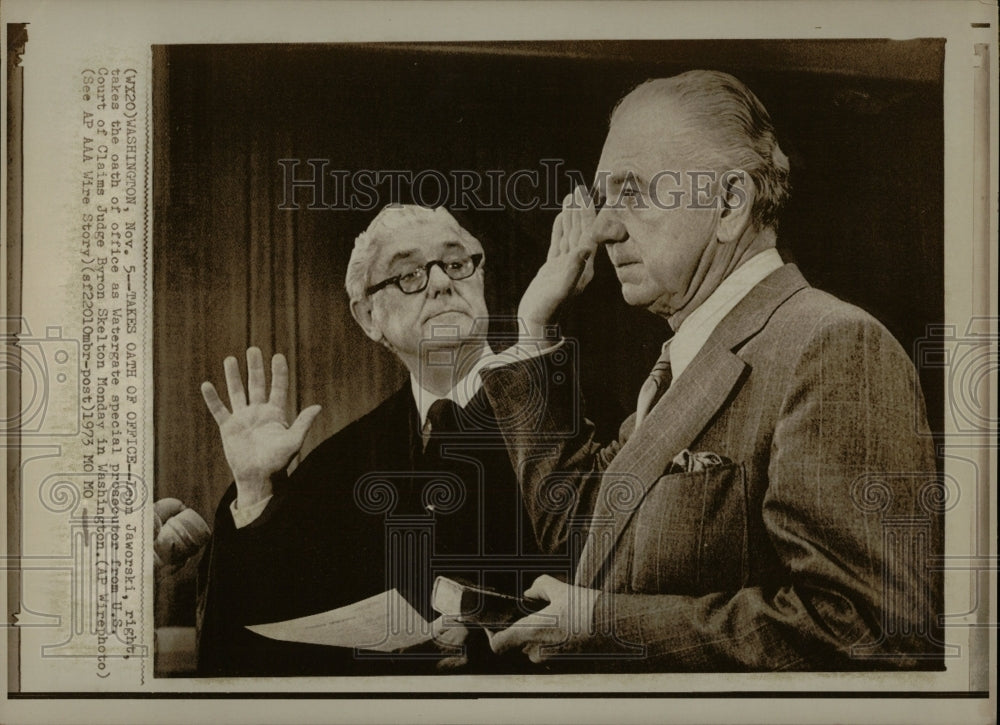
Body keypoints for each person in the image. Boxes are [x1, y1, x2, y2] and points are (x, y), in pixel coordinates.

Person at [484, 70, 943, 671]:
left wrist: (600, 624)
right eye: (603, 195)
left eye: (632, 191)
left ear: (730, 203)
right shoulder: (687, 357)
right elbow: (588, 537)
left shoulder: (833, 345)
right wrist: (536, 330)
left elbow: (873, 632)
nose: (602, 226)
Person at [196, 204, 562, 676]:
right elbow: (254, 633)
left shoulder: (572, 415)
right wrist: (255, 492)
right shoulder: (342, 462)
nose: (441, 283)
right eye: (409, 273)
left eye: (455, 264)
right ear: (368, 317)